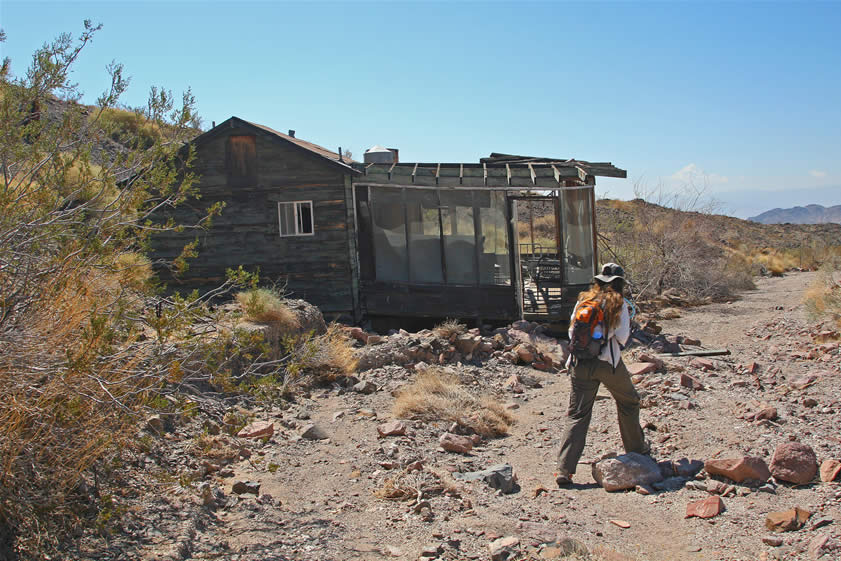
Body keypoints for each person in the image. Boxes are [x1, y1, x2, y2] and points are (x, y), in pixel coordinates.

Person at [555, 262, 649, 486]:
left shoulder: (583, 301)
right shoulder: (619, 304)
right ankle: (637, 453)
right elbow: (623, 337)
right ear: (619, 282)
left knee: (577, 414)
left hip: (579, 363)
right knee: (629, 402)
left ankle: (564, 470)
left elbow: (571, 332)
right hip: (607, 362)